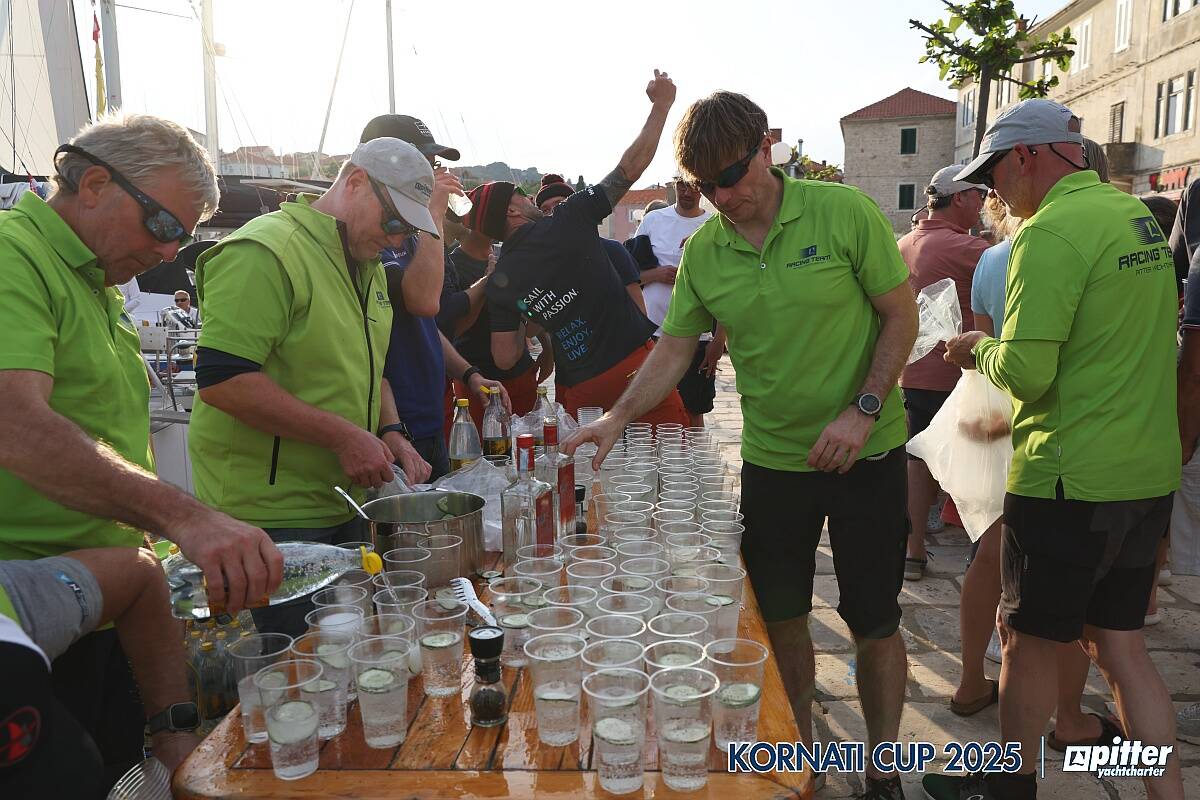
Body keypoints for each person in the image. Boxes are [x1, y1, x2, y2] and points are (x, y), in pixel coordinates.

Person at [567, 89, 919, 800]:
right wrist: (617, 418)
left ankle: (882, 764)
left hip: (868, 454)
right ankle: (807, 759)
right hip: (774, 464)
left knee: (873, 620)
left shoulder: (842, 212)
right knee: (782, 617)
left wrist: (862, 411)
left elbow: (901, 317)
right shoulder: (706, 251)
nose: (725, 196)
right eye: (707, 186)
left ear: (767, 146)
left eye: (734, 175)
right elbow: (672, 348)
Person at [0, 112, 282, 789]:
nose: (167, 254)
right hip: (29, 622)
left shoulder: (97, 284)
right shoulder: (14, 256)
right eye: (162, 227)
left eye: (181, 240)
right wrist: (187, 517)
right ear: (93, 183)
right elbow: (12, 422)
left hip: (111, 607)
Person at [932, 99, 1184, 800]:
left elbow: (1028, 373)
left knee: (1027, 645)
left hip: (1069, 481)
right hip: (1144, 471)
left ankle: (1008, 786)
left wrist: (975, 349)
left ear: (1029, 156)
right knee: (1121, 650)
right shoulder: (1130, 216)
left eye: (993, 176)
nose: (990, 194)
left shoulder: (1048, 235)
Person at [189, 137, 434, 638]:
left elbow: (370, 369)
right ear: (356, 183)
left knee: (351, 655)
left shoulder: (367, 267)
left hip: (341, 502)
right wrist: (344, 437)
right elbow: (222, 380)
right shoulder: (267, 250)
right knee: (297, 677)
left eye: (407, 233)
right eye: (394, 224)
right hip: (270, 519)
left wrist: (389, 430)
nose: (395, 242)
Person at [475, 71, 689, 426]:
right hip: (636, 372)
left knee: (592, 477)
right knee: (664, 467)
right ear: (511, 211)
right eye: (520, 196)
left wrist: (537, 313)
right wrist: (662, 106)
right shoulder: (567, 219)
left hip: (580, 388)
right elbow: (629, 169)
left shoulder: (502, 280)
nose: (528, 198)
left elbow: (505, 355)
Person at [359, 115, 509, 479]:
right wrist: (435, 214)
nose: (434, 172)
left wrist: (470, 373)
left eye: (434, 163)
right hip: (392, 431)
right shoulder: (374, 240)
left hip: (430, 423)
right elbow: (422, 301)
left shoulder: (411, 237)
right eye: (426, 163)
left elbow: (424, 324)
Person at [0, 547, 199, 797]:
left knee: (116, 760)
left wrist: (173, 734)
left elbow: (142, 571)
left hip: (105, 613)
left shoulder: (17, 602)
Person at [897, 166, 989, 582]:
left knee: (917, 459)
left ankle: (913, 551)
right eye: (979, 194)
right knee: (975, 460)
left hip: (913, 370)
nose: (985, 202)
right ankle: (981, 553)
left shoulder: (906, 242)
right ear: (961, 199)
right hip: (962, 372)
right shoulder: (970, 249)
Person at [635, 176, 727, 428]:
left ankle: (695, 462)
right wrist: (657, 274)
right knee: (649, 406)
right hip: (653, 331)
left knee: (693, 408)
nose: (687, 192)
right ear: (674, 186)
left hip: (697, 336)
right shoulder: (653, 220)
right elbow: (629, 274)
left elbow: (726, 287)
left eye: (694, 186)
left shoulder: (714, 224)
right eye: (681, 185)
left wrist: (719, 339)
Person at [445, 217, 547, 429]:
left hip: (521, 374)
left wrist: (547, 345)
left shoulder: (508, 255)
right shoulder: (452, 264)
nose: (508, 219)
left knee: (528, 451)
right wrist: (486, 283)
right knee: (483, 456)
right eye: (500, 213)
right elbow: (455, 328)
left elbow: (528, 318)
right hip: (477, 382)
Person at [535, 174, 649, 316]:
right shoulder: (545, 266)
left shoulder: (612, 251)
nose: (553, 213)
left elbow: (640, 312)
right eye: (545, 210)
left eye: (559, 205)